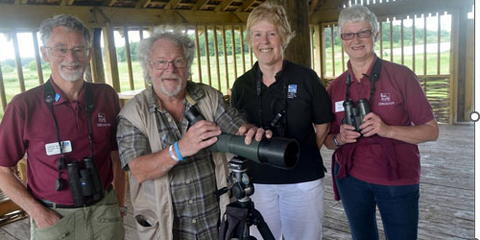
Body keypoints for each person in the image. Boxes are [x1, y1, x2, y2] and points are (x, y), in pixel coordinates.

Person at [116, 27, 269, 240]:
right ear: (148, 68)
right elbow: (139, 170)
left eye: (178, 61)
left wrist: (250, 132)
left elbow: (237, 127)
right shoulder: (133, 113)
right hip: (166, 227)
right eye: (161, 62)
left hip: (214, 222)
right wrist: (179, 149)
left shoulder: (207, 96)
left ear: (187, 66)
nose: (170, 69)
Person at [0, 14, 126, 240]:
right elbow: (2, 171)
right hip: (53, 217)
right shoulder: (24, 106)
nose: (71, 57)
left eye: (79, 49)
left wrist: (119, 203)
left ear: (88, 53)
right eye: (60, 49)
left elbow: (116, 156)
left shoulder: (105, 95)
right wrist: (39, 213)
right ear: (44, 53)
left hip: (105, 212)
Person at [324, 5, 439, 240]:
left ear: (375, 35)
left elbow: (431, 131)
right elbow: (328, 141)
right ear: (341, 39)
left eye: (363, 33)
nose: (356, 40)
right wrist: (340, 138)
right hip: (351, 179)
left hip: (397, 177)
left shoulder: (401, 75)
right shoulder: (335, 87)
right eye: (348, 34)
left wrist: (386, 130)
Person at [230, 2, 332, 239]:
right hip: (257, 182)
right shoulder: (242, 85)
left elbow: (324, 123)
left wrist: (300, 153)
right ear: (250, 40)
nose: (264, 41)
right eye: (257, 34)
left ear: (284, 38)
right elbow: (235, 127)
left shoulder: (306, 78)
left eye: (271, 33)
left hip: (302, 180)